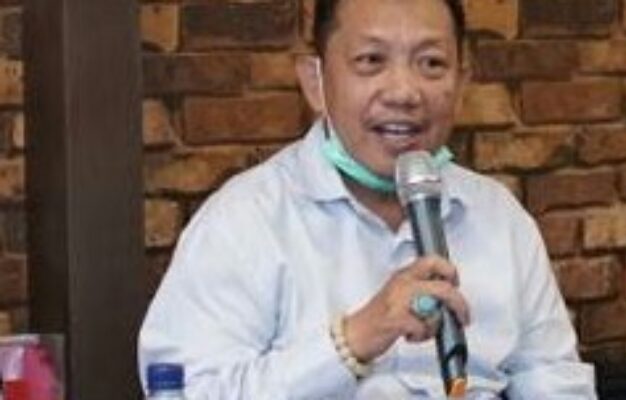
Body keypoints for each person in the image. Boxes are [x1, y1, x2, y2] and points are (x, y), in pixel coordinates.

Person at [138, 0, 596, 398]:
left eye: (431, 63)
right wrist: (355, 339)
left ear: (462, 82)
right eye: (371, 60)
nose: (404, 93)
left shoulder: (501, 220)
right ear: (315, 82)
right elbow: (188, 391)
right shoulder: (243, 222)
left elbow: (557, 384)